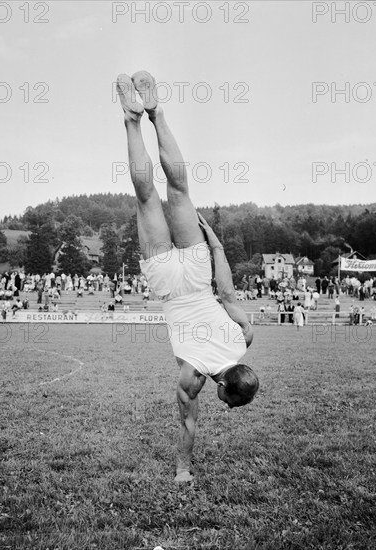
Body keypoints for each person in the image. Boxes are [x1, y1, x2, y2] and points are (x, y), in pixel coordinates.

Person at [117, 70, 258, 483]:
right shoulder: (193, 375)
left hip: (198, 275)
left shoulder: (244, 338)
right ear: (225, 389)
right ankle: (130, 119)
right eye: (231, 403)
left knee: (179, 190)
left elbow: (228, 291)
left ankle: (156, 113)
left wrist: (215, 244)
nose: (227, 407)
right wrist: (183, 471)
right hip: (170, 286)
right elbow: (188, 424)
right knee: (145, 197)